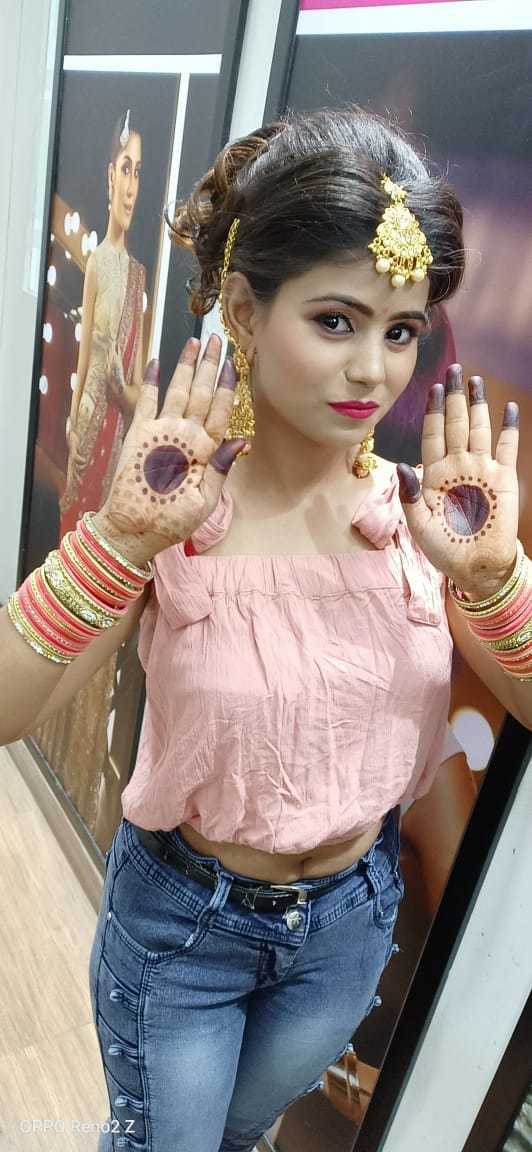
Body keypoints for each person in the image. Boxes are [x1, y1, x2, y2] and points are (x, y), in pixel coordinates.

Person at [1, 106, 529, 1152]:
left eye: (400, 331)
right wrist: (120, 541)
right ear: (244, 309)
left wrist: (492, 578)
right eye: (335, 321)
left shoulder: (425, 520)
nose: (374, 371)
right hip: (184, 933)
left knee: (239, 1139)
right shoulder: (175, 510)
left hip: (349, 925)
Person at [60, 108, 146, 535]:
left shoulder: (138, 277)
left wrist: (119, 384)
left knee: (98, 542)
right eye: (126, 169)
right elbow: (82, 359)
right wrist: (73, 427)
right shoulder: (96, 263)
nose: (131, 188)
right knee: (69, 536)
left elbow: (139, 391)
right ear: (111, 176)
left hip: (115, 441)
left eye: (138, 173)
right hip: (86, 431)